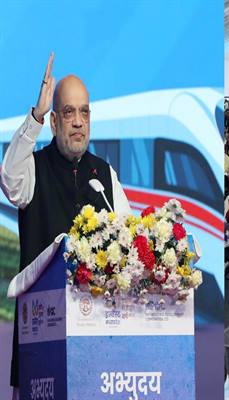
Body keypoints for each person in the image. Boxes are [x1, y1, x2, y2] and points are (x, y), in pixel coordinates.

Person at [0, 53, 131, 396]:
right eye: (69, 113)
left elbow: (130, 241)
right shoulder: (34, 167)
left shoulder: (104, 175)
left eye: (84, 112)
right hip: (40, 345)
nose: (78, 122)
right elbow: (10, 181)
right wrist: (36, 116)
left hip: (97, 347)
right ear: (55, 122)